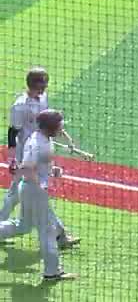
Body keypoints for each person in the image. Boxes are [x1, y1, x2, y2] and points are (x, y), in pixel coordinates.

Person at [3, 67, 80, 249]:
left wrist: (66, 138)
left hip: (40, 150)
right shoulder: (20, 106)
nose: (43, 89)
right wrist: (12, 159)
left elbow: (47, 121)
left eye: (45, 85)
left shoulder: (43, 98)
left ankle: (60, 234)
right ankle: (60, 234)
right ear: (31, 85)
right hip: (27, 155)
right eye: (40, 85)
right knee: (31, 195)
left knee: (16, 196)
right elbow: (12, 132)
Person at [0, 109, 77, 282]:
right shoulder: (38, 143)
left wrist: (51, 171)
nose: (61, 127)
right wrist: (41, 184)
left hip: (30, 189)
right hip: (33, 190)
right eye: (59, 124)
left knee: (23, 226)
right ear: (50, 126)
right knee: (47, 230)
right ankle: (52, 272)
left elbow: (37, 164)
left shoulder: (44, 139)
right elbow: (27, 168)